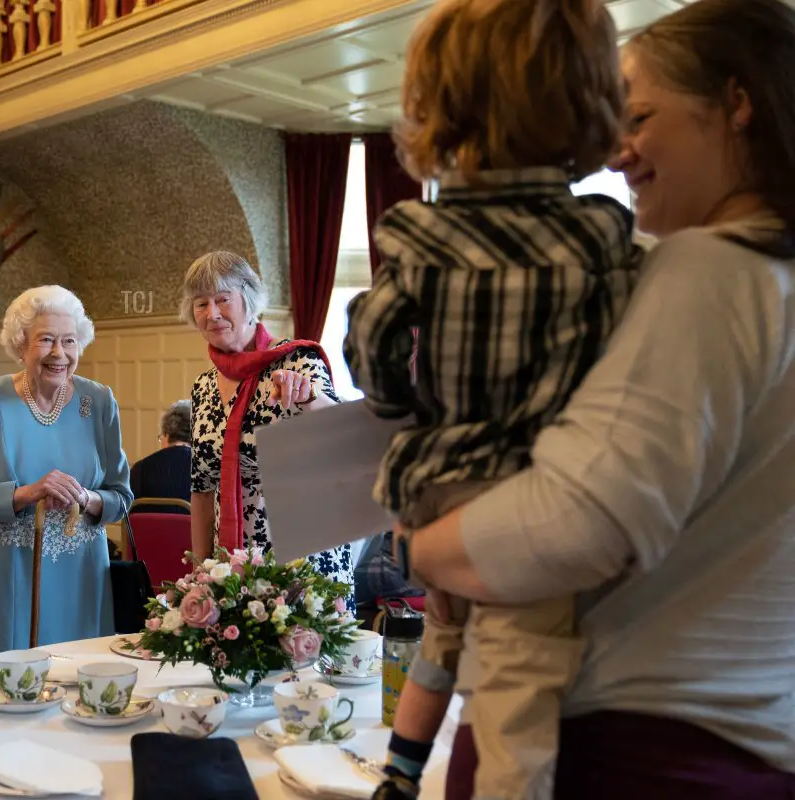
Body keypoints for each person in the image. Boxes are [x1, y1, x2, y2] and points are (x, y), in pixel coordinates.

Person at [386, 0, 795, 797]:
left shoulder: (711, 267)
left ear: (737, 105)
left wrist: (415, 550)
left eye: (639, 116)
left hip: (627, 747)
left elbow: (579, 522)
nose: (617, 147)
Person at [345, 0, 640, 797]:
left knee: (443, 619)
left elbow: (368, 343)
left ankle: (401, 771)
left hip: (433, 477)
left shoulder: (417, 234)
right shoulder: (600, 236)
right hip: (530, 488)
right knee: (517, 678)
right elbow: (620, 362)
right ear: (590, 104)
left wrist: (403, 407)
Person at [0, 285, 132, 662]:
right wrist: (26, 493)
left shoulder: (97, 401)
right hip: (11, 573)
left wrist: (86, 498)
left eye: (69, 341)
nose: (59, 353)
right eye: (46, 339)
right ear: (21, 345)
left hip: (82, 573)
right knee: (12, 683)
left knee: (81, 681)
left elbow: (121, 496)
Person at [183, 251, 354, 600]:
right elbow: (202, 487)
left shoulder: (296, 361)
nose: (212, 313)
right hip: (231, 565)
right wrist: (201, 573)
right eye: (201, 304)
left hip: (302, 558)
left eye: (222, 299)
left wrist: (307, 398)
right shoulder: (202, 387)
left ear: (249, 299)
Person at [129, 400, 193, 513]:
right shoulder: (205, 469)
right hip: (191, 531)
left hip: (148, 531)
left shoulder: (140, 469)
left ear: (167, 434)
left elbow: (131, 516)